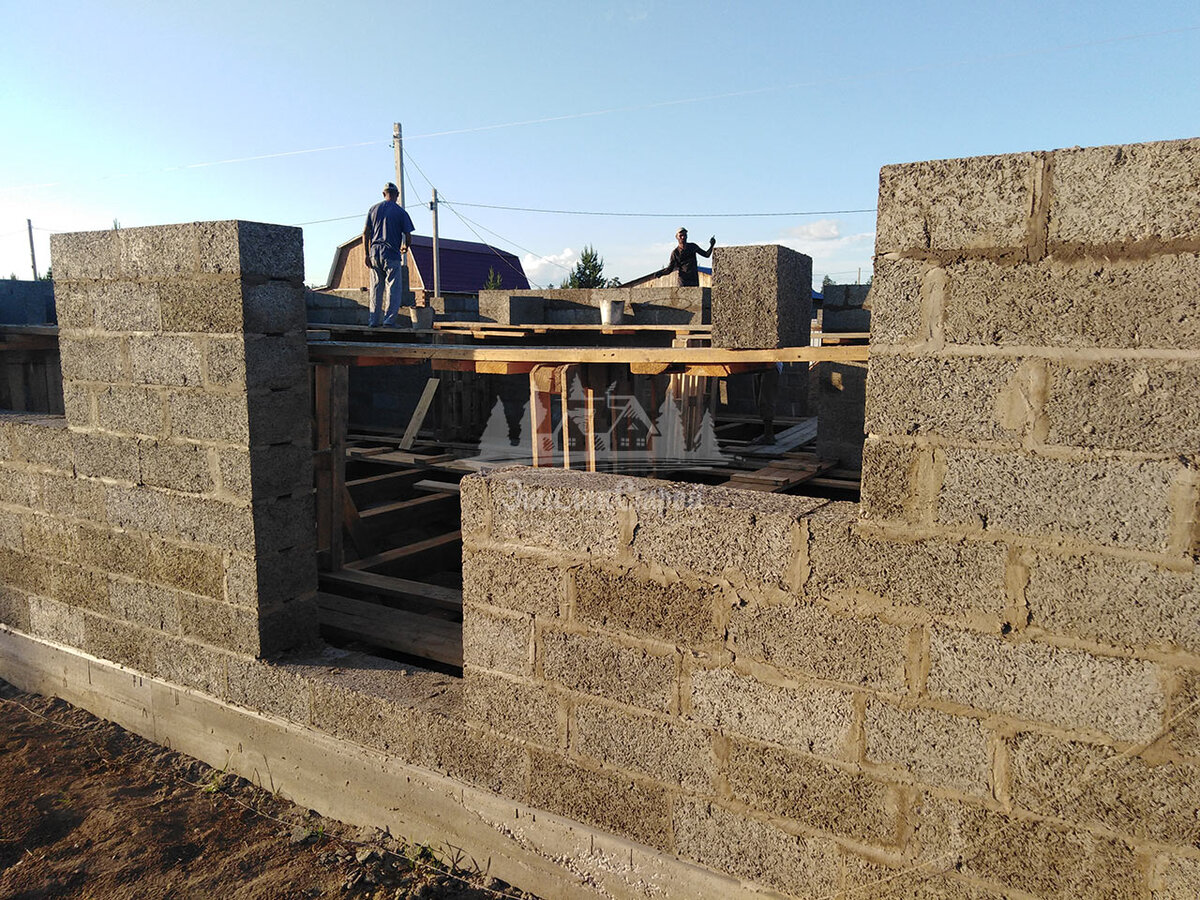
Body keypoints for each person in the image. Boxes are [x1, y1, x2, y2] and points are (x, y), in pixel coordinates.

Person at [363, 183, 415, 327]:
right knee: (393, 288)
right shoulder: (401, 212)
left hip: (374, 253)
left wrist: (366, 254)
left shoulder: (373, 209)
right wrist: (405, 246)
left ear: (383, 194)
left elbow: (365, 233)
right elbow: (408, 236)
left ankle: (373, 321)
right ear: (397, 195)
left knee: (376, 288)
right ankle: (389, 321)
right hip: (391, 253)